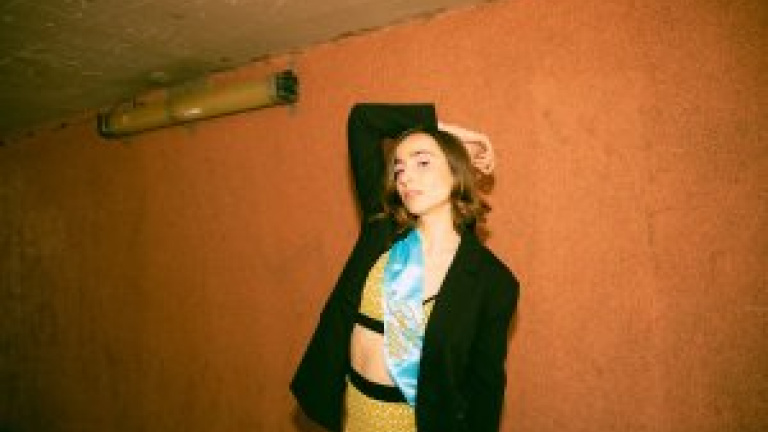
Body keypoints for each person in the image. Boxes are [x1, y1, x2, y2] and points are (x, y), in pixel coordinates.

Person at [291, 103, 519, 432]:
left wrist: (447, 141)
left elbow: (485, 392)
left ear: (457, 171)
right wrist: (446, 130)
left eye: (423, 162)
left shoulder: (493, 282)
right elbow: (363, 120)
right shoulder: (381, 230)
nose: (406, 177)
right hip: (351, 416)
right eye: (398, 168)